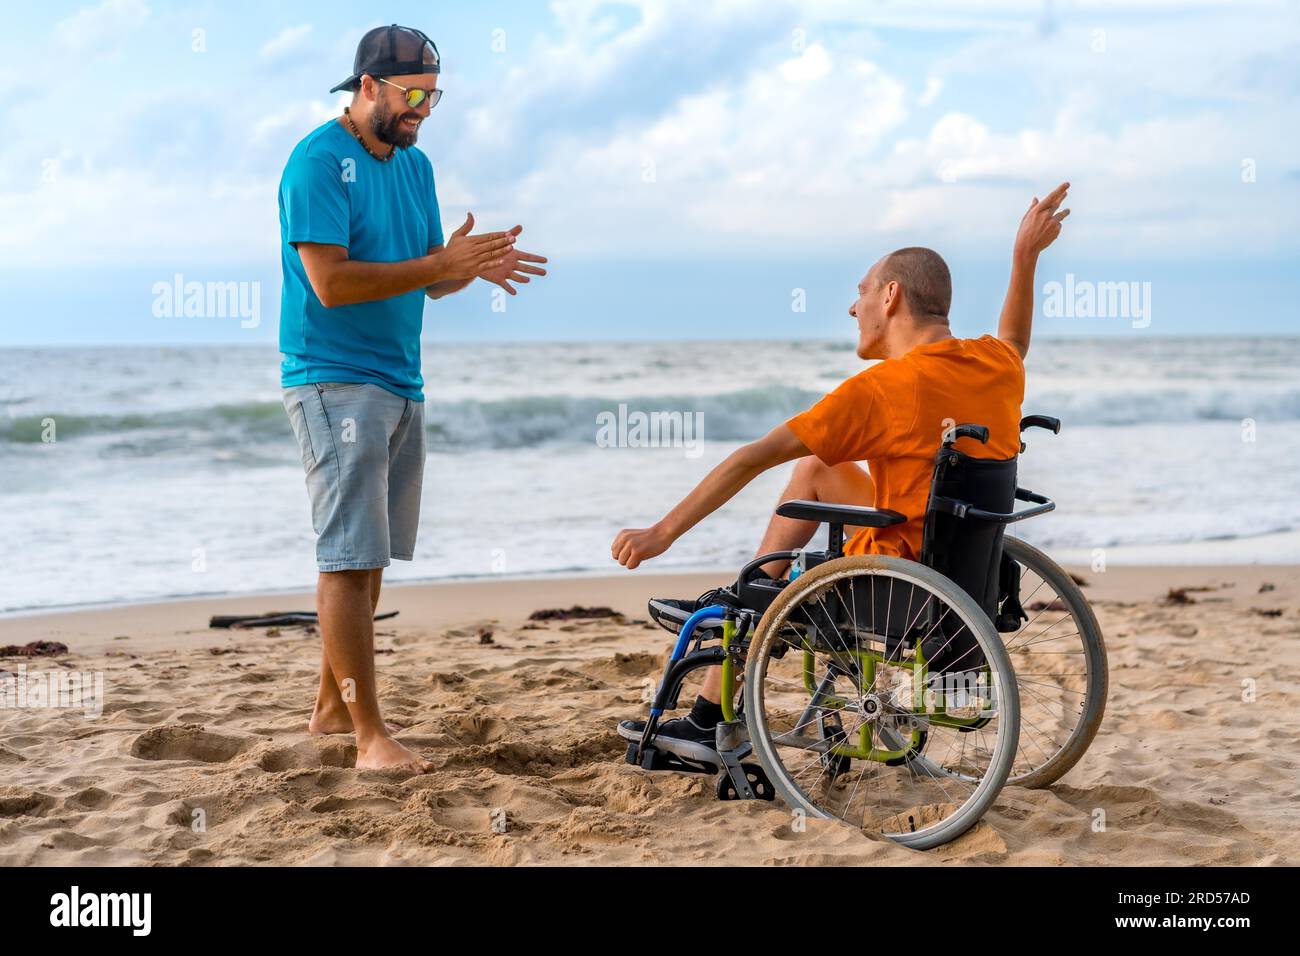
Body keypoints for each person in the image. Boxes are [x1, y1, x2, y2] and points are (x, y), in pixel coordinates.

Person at [611, 184, 1071, 748]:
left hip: (897, 582)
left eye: (861, 292)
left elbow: (751, 458)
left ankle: (712, 712)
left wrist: (662, 533)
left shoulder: (882, 389)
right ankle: (714, 697)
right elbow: (1016, 338)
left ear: (891, 296)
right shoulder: (996, 364)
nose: (853, 308)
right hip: (963, 571)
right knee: (814, 470)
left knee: (760, 584)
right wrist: (1024, 259)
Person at [279, 25, 547, 771]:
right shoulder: (316, 164)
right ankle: (370, 740)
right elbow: (331, 284)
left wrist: (469, 265)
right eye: (413, 94)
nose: (424, 110)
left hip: (400, 380)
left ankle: (333, 709)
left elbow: (427, 276)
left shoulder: (414, 165)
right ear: (367, 85)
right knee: (346, 557)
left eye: (434, 95)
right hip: (332, 379)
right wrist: (439, 260)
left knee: (372, 562)